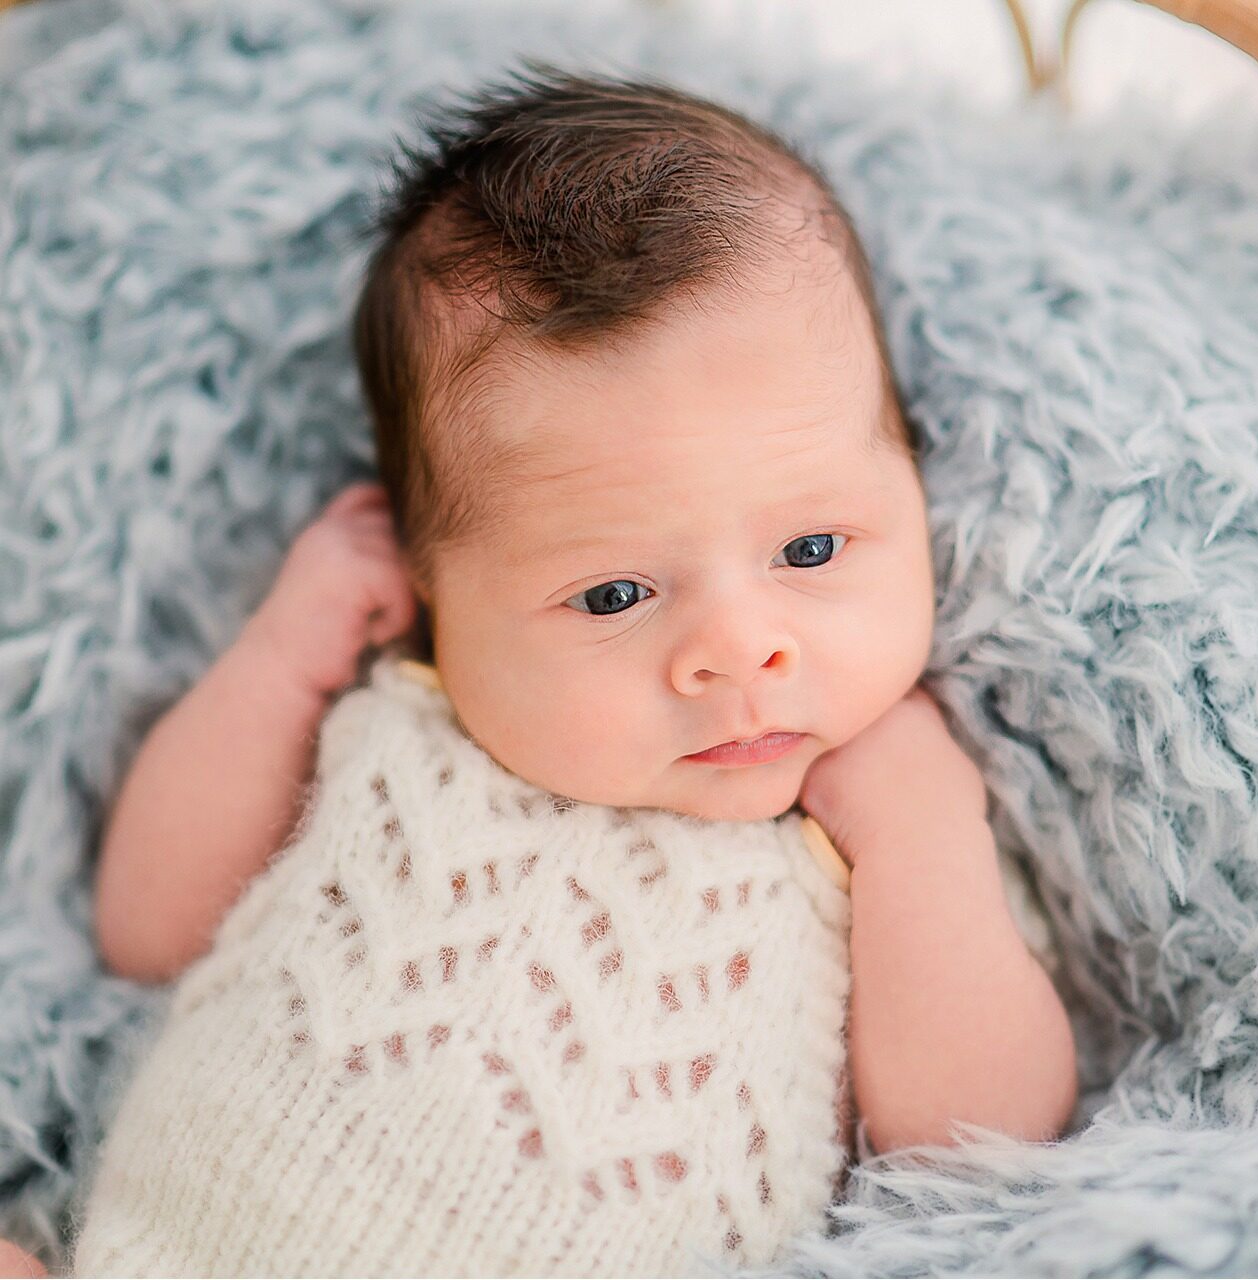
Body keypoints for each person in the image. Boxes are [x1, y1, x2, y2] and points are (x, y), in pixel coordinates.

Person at [43, 62, 1075, 1278]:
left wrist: (926, 842)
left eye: (809, 548)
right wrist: (280, 658)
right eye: (614, 594)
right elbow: (148, 931)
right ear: (435, 596)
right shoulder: (397, 713)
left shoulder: (885, 826)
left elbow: (977, 1146)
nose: (741, 650)